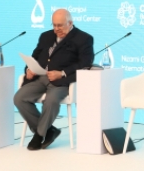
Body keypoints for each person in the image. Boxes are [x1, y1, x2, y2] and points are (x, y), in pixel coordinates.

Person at [13, 9, 93, 151]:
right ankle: (49, 130)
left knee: (51, 100)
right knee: (19, 98)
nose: (56, 29)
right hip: (40, 78)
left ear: (70, 23)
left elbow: (85, 63)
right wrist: (29, 69)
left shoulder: (83, 38)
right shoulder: (46, 36)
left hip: (61, 82)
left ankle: (39, 135)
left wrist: (62, 73)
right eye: (54, 25)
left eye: (60, 25)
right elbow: (34, 56)